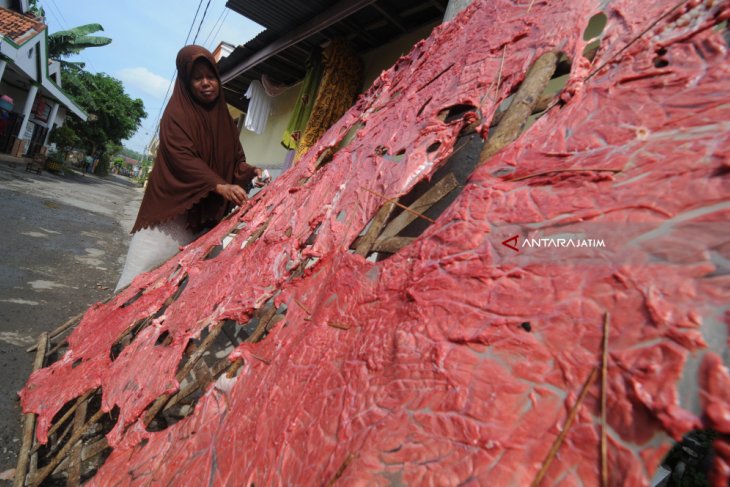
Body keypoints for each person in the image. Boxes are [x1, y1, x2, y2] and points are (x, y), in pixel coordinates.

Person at [115, 45, 266, 292]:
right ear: (186, 80)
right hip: (170, 215)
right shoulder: (176, 115)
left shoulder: (224, 119)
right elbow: (182, 158)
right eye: (197, 78)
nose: (206, 83)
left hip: (204, 219)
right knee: (135, 283)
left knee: (178, 289)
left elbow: (235, 160)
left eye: (210, 77)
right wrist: (219, 185)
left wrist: (251, 172)